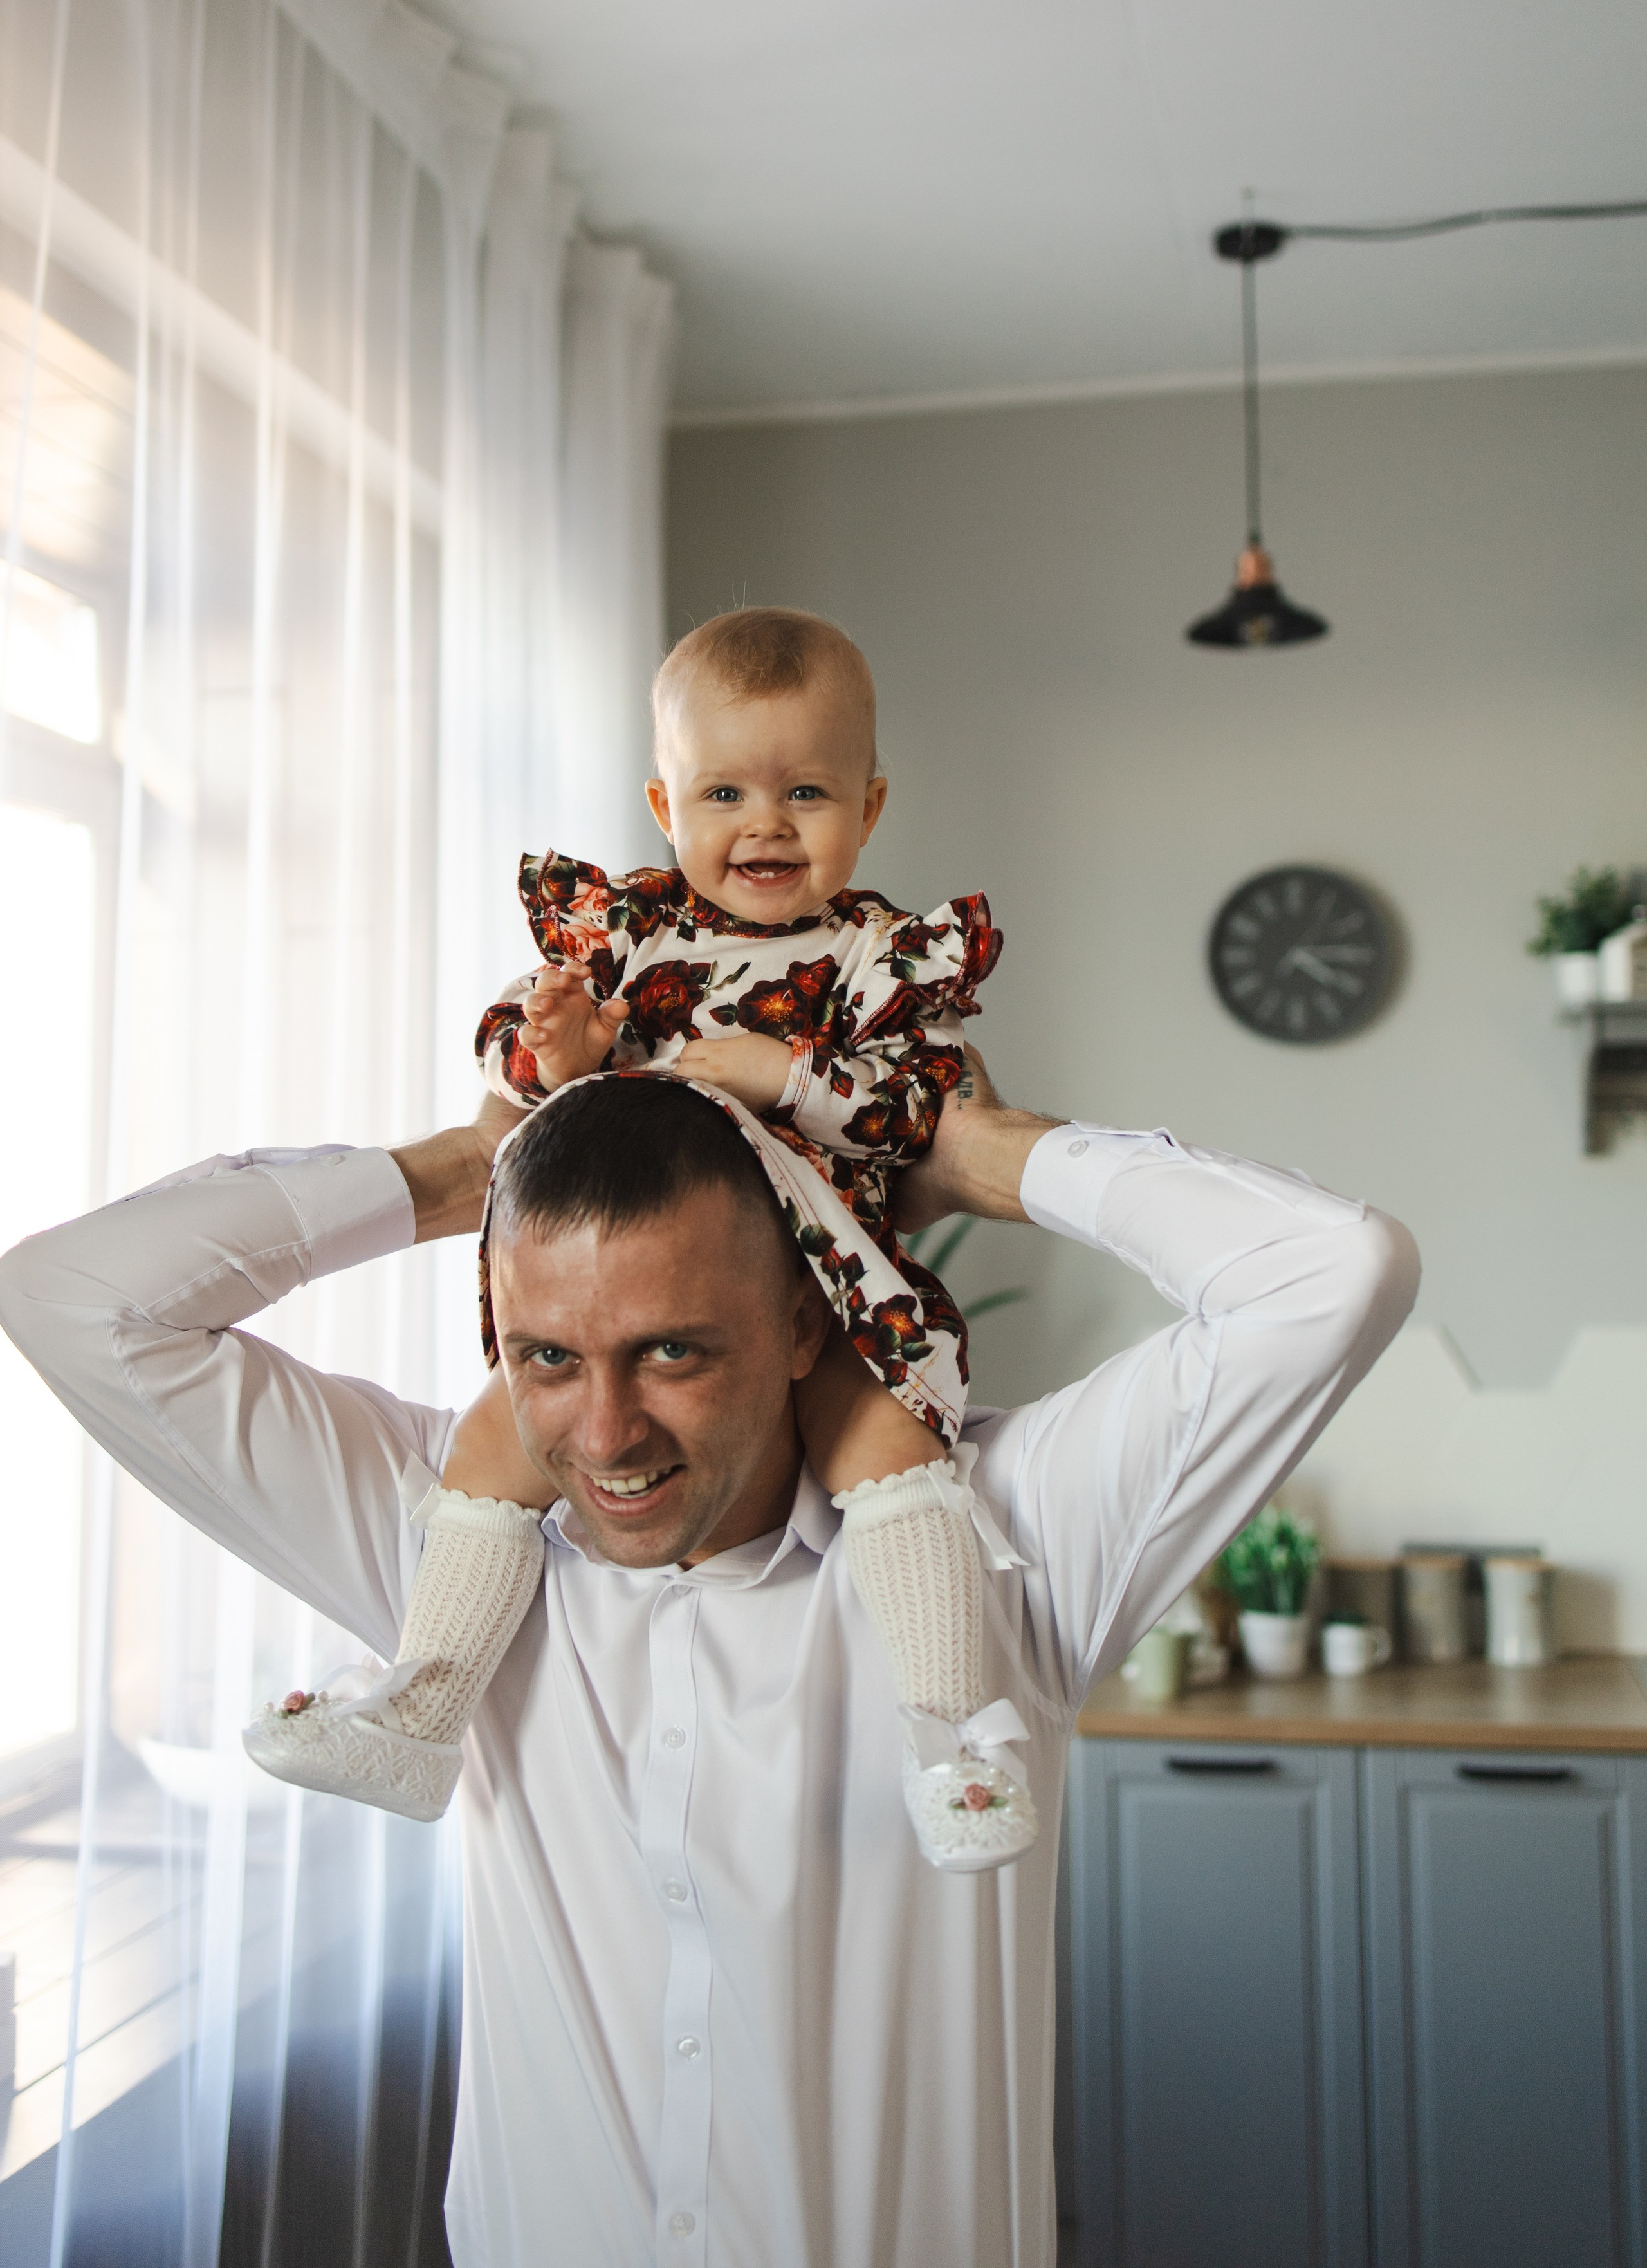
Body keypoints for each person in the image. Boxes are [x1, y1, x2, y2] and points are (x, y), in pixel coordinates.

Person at [0, 1051, 1417, 2265]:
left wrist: (965, 1145)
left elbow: (1330, 1274)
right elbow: (72, 1297)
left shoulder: (1005, 1539)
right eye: (545, 1357)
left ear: (807, 1322)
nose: (604, 1435)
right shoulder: (437, 1538)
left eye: (671, 1352)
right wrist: (461, 1172)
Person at [248, 604, 1038, 1871]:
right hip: (639, 1269)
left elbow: (921, 1112)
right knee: (499, 1431)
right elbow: (518, 1056)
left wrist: (786, 1074)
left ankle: (949, 1736)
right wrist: (558, 1050)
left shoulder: (875, 962)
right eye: (722, 789)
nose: (765, 823)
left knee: (889, 1445)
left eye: (806, 790)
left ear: (869, 808)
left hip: (815, 1281)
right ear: (663, 803)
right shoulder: (627, 940)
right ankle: (424, 1703)